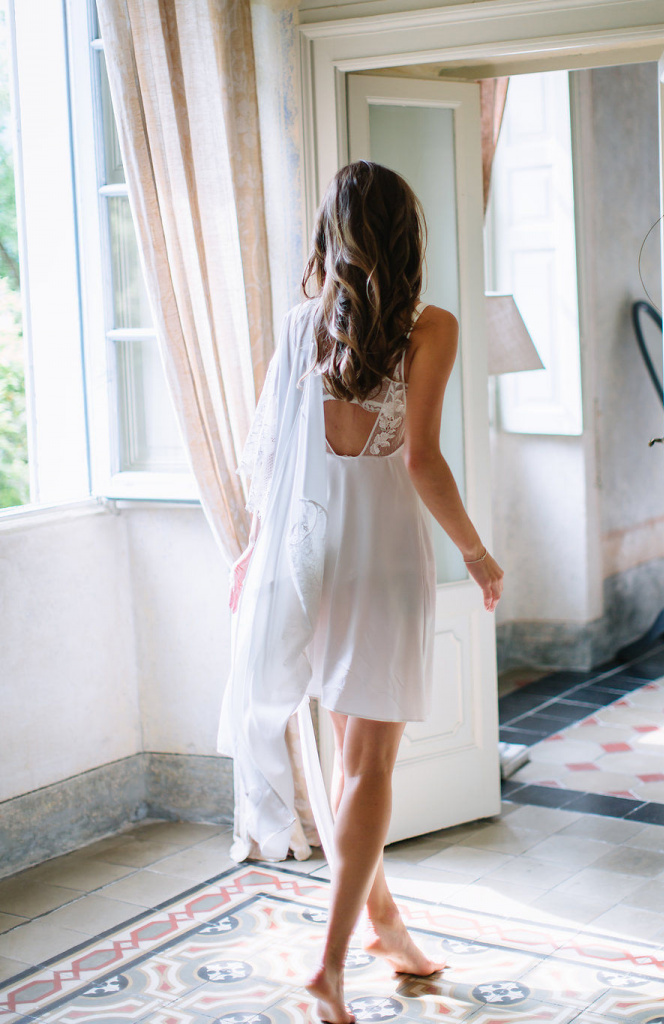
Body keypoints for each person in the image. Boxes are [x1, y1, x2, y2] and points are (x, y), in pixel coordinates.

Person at [221, 160, 503, 1024]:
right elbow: (421, 460)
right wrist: (477, 554)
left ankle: (387, 930)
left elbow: (272, 457)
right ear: (408, 236)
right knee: (369, 769)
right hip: (382, 568)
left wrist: (255, 554)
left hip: (308, 560)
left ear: (331, 238)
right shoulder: (431, 329)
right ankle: (330, 967)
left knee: (350, 765)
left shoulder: (302, 326)